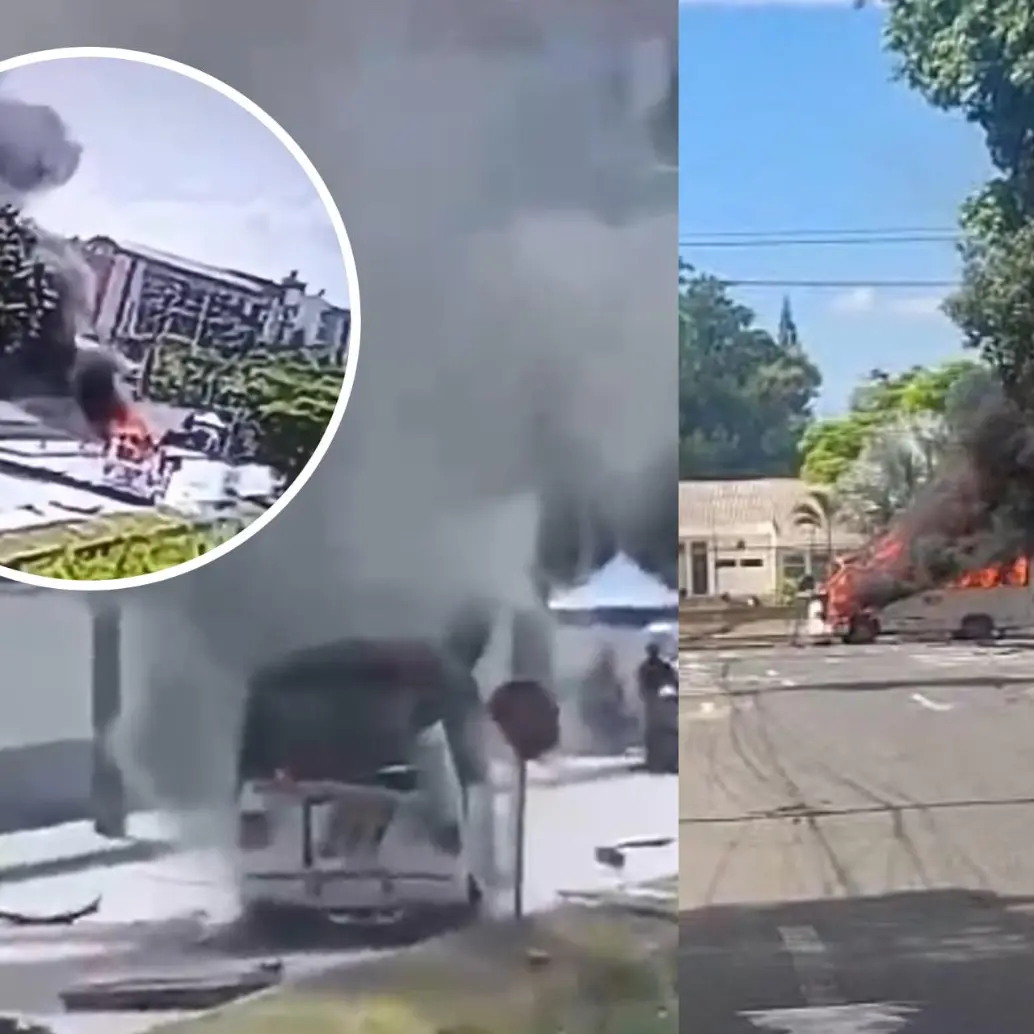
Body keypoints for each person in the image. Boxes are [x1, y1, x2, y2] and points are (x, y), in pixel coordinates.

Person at [637, 640, 676, 706]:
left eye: (654, 651)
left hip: (662, 693)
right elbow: (641, 679)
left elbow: (671, 678)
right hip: (652, 693)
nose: (653, 653)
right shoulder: (646, 666)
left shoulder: (663, 665)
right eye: (652, 651)